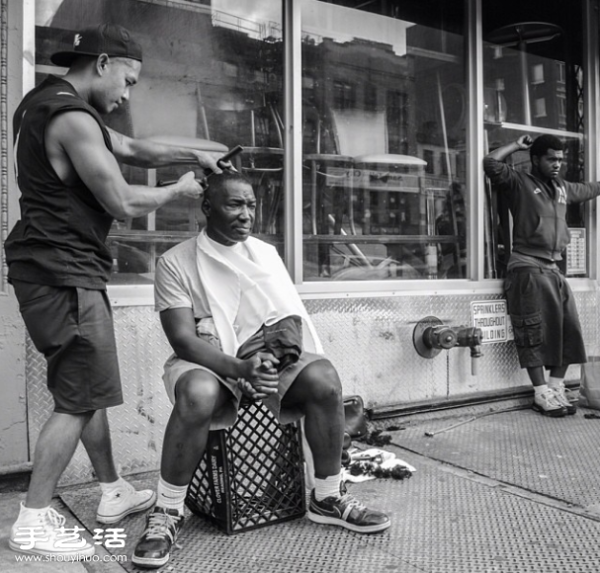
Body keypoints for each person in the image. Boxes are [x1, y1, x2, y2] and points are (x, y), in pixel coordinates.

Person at [5, 24, 224, 559]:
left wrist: (191, 156)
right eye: (128, 79)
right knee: (79, 398)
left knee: (87, 388)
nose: (128, 93)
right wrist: (180, 190)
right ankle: (32, 520)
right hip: (65, 270)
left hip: (56, 266)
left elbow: (130, 146)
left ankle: (111, 492)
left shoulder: (46, 103)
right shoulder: (74, 118)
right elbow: (123, 201)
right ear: (103, 62)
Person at [131, 171, 390, 569]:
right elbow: (183, 341)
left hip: (265, 353)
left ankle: (327, 496)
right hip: (208, 353)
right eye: (234, 204)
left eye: (251, 205)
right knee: (197, 394)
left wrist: (272, 363)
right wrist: (239, 368)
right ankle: (167, 512)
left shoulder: (264, 254)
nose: (246, 214)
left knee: (324, 380)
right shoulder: (175, 262)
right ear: (207, 207)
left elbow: (285, 320)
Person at [484, 134, 600, 417]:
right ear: (536, 160)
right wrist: (515, 146)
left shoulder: (562, 188)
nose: (557, 164)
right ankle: (541, 394)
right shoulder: (519, 181)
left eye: (560, 159)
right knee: (532, 332)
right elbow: (490, 163)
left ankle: (556, 386)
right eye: (551, 159)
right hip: (526, 267)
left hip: (553, 268)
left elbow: (589, 189)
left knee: (570, 331)